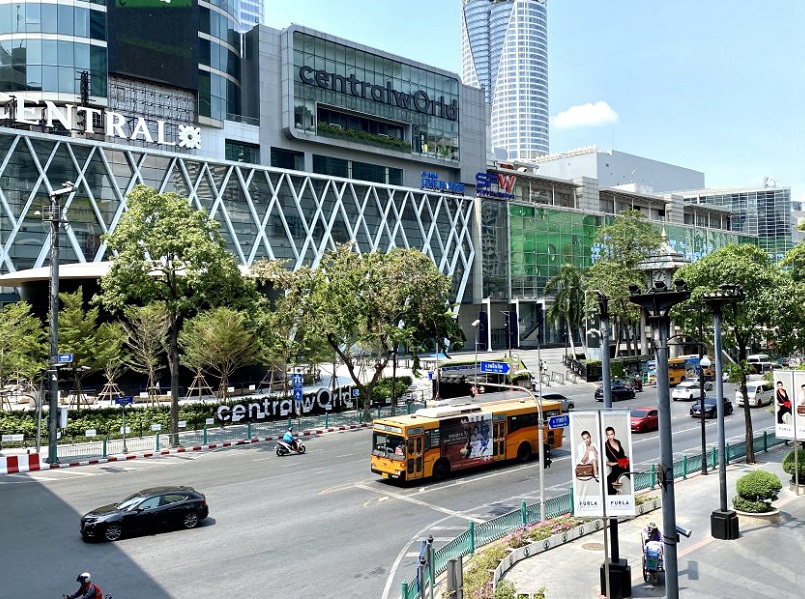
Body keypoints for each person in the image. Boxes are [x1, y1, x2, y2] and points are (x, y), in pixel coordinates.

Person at [604, 426, 629, 494]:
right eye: (608, 435)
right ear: (606, 435)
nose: (610, 436)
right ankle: (615, 495)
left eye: (611, 434)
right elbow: (602, 460)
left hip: (625, 465)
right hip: (616, 468)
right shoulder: (606, 446)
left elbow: (622, 454)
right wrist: (612, 463)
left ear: (614, 434)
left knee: (627, 478)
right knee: (608, 482)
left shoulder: (618, 442)